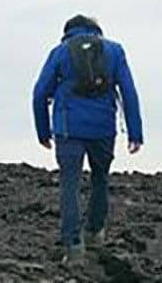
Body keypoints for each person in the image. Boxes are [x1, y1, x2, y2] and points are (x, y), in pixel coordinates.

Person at [31, 13, 143, 259]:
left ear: (68, 32)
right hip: (103, 127)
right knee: (100, 179)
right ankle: (95, 233)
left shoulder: (60, 52)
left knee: (69, 185)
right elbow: (128, 91)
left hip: (68, 127)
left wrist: (43, 131)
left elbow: (40, 92)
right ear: (96, 30)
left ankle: (73, 246)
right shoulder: (115, 51)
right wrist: (135, 132)